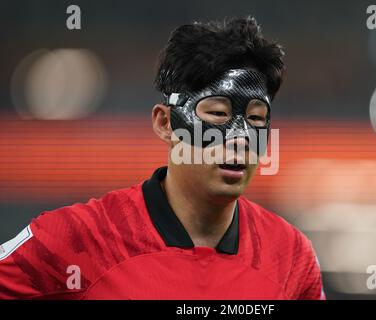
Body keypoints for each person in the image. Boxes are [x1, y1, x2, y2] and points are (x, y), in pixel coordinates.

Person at [0, 16, 325, 300]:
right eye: (216, 113)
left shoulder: (291, 257)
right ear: (165, 123)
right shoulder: (78, 239)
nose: (239, 137)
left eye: (256, 118)